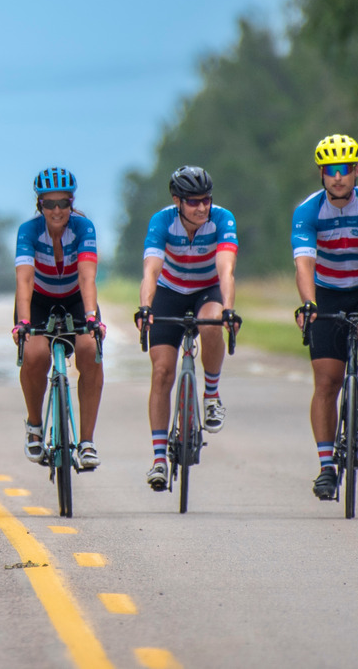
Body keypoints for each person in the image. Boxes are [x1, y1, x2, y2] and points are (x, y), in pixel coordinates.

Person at [291, 134, 358, 502]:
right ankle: (326, 467)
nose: (338, 178)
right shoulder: (307, 211)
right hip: (327, 291)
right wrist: (309, 304)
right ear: (321, 173)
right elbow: (303, 264)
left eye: (345, 170)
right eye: (330, 170)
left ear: (355, 171)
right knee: (327, 381)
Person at [132, 166, 240, 491]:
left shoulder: (222, 219)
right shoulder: (161, 221)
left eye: (206, 200)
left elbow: (226, 269)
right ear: (177, 201)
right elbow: (151, 270)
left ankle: (210, 394)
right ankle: (159, 459)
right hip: (170, 292)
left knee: (211, 322)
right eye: (193, 202)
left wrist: (229, 310)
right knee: (162, 372)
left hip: (207, 289)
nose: (201, 207)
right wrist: (146, 308)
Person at [13, 166, 104, 470]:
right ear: (39, 205)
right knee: (36, 353)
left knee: (90, 350)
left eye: (63, 203)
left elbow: (87, 276)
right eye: (48, 204)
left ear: (71, 203)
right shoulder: (28, 230)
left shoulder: (84, 228)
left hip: (76, 297)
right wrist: (23, 323)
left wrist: (91, 316)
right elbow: (24, 280)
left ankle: (87, 442)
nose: (56, 210)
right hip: (39, 299)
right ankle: (35, 426)